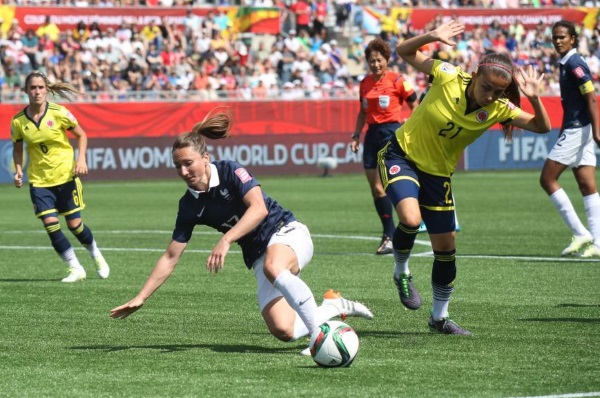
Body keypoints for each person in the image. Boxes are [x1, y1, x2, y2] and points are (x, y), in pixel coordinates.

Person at [110, 108, 373, 349]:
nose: (183, 170)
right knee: (285, 330)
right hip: (258, 255)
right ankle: (331, 306)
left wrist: (226, 240)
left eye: (188, 162)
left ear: (205, 158)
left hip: (286, 232)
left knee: (274, 266)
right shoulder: (188, 206)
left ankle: (318, 338)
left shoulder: (230, 171)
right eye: (178, 165)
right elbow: (170, 257)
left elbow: (258, 208)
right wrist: (141, 297)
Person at [382, 20, 550, 334]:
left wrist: (535, 98)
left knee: (446, 250)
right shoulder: (446, 75)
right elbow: (402, 51)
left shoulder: (499, 108)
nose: (490, 96)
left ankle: (439, 319)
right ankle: (401, 271)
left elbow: (542, 127)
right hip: (401, 155)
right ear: (474, 76)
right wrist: (432, 36)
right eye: (487, 87)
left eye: (498, 91)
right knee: (409, 217)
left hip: (438, 176)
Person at [11, 71, 110, 283]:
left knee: (75, 225)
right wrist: (18, 169)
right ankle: (75, 268)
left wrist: (81, 159)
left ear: (46, 90)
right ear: (26, 91)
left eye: (40, 87)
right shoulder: (19, 121)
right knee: (50, 224)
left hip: (65, 176)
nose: (36, 91)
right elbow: (17, 148)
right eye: (32, 88)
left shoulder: (59, 112)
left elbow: (81, 135)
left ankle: (95, 253)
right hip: (39, 181)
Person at [351, 37, 417, 255]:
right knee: (375, 188)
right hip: (371, 136)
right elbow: (362, 112)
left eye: (379, 60)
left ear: (386, 60)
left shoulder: (397, 80)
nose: (376, 64)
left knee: (391, 185)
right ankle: (388, 235)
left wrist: (411, 121)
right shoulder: (364, 83)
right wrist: (355, 136)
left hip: (391, 134)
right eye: (372, 61)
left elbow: (414, 103)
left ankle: (400, 229)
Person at [540, 20, 600, 258]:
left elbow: (591, 97)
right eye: (555, 37)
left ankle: (580, 232)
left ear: (573, 39)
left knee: (547, 179)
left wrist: (597, 130)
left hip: (579, 129)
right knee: (587, 185)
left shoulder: (574, 63)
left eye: (562, 37)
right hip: (577, 128)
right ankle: (597, 242)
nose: (557, 41)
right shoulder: (566, 62)